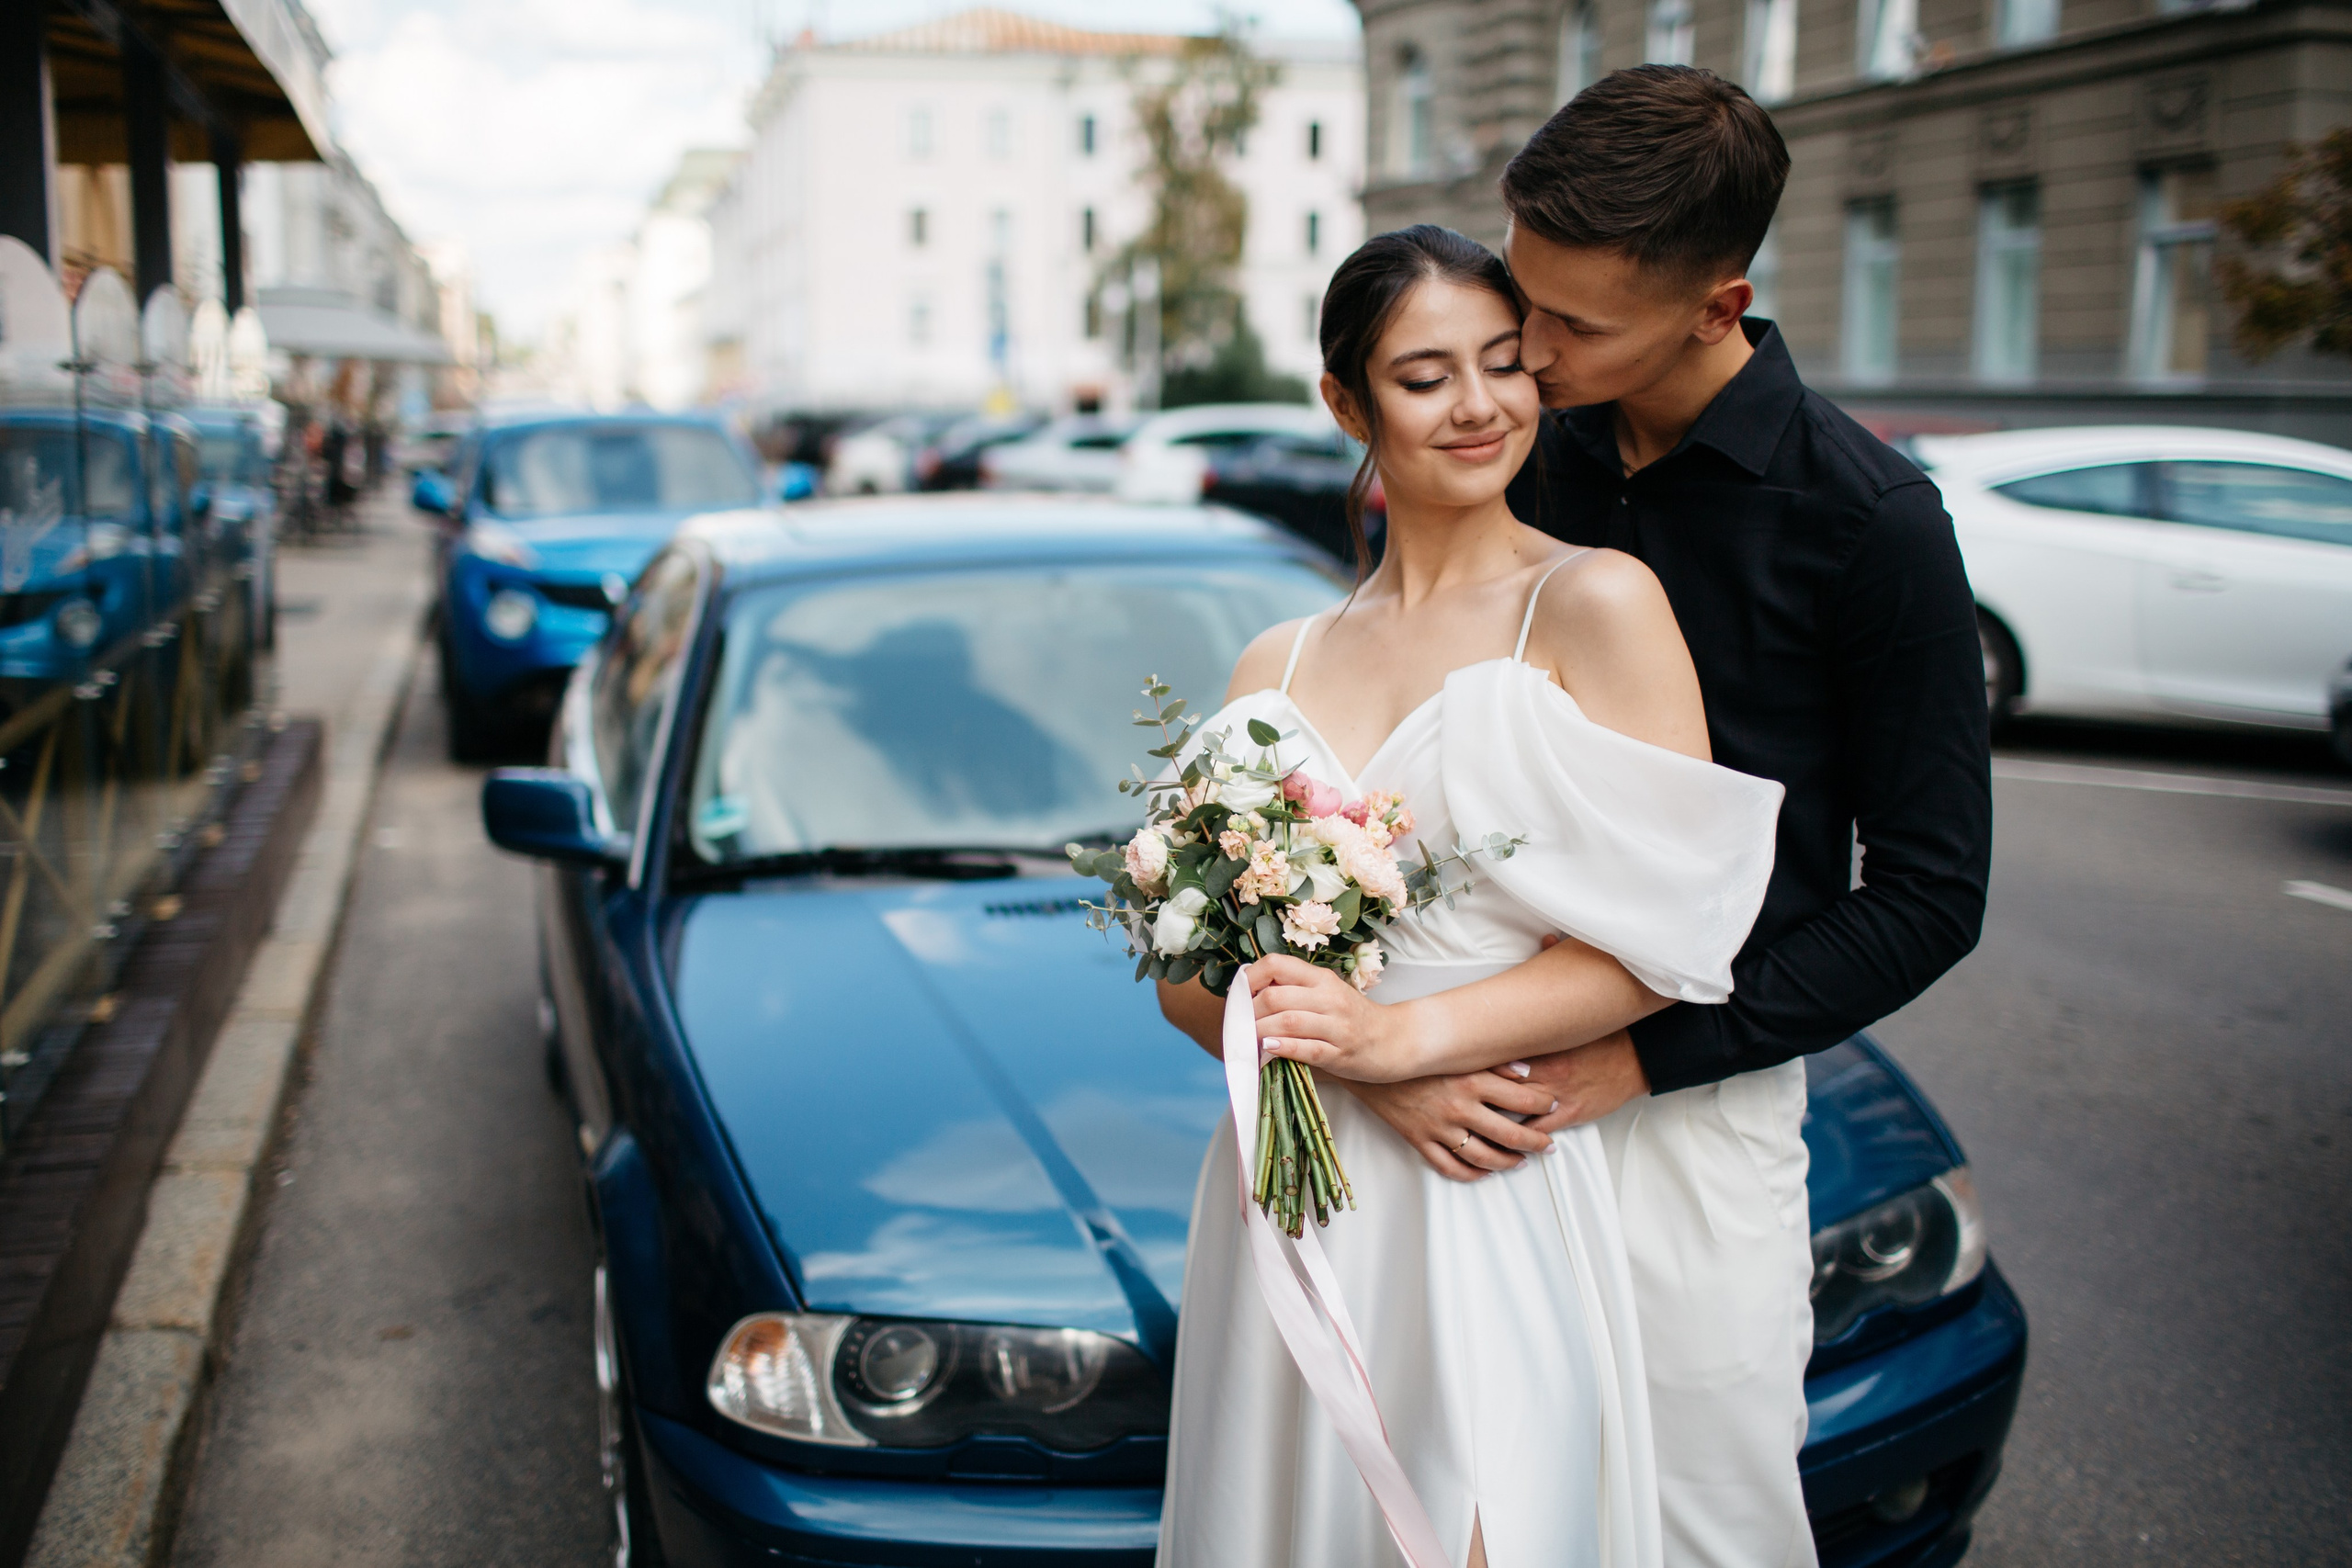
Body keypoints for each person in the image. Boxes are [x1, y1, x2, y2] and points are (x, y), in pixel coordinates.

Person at [1350, 66, 1995, 1566]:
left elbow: (1928, 895)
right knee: (1471, 1524)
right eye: (1524, 301)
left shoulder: (1871, 525)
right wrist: (1386, 1046)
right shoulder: (1520, 450)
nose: (1528, 353)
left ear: (1720, 304)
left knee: (1706, 1525)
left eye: (1574, 328)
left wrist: (1638, 1061)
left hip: (1693, 1113)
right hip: (1458, 1098)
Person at [1154, 223, 1786, 1568]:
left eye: (1505, 364)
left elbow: (1673, 939)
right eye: (1427, 375)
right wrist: (1367, 1078)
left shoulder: (1595, 604)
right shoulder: (1278, 658)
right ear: (1347, 403)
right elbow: (1186, 979)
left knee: (1490, 1527)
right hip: (1298, 1174)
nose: (1483, 404)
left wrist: (1408, 1041)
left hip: (1488, 1182)